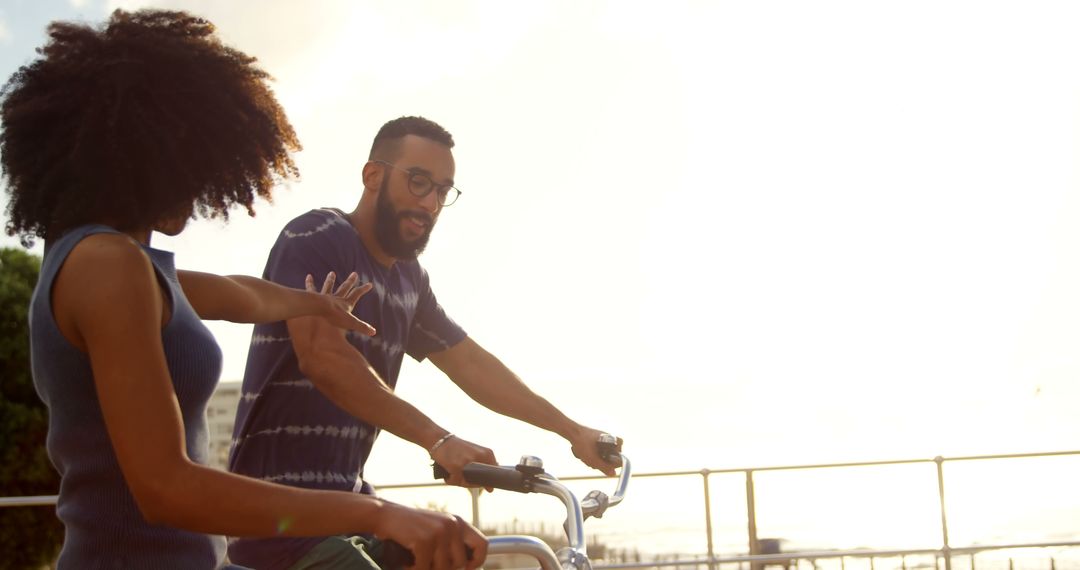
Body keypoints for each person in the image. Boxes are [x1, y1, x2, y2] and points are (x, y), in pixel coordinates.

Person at [3, 10, 486, 570]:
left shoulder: (121, 266)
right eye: (194, 160)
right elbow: (166, 488)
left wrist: (312, 303)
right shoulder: (107, 267)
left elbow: (239, 294)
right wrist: (376, 514)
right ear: (146, 153)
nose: (206, 184)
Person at [227, 115, 623, 570]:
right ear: (373, 176)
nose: (430, 202)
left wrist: (572, 432)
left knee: (458, 551)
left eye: (441, 190)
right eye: (418, 182)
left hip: (352, 509)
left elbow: (470, 363)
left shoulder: (408, 279)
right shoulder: (319, 236)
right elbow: (324, 358)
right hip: (281, 523)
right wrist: (439, 440)